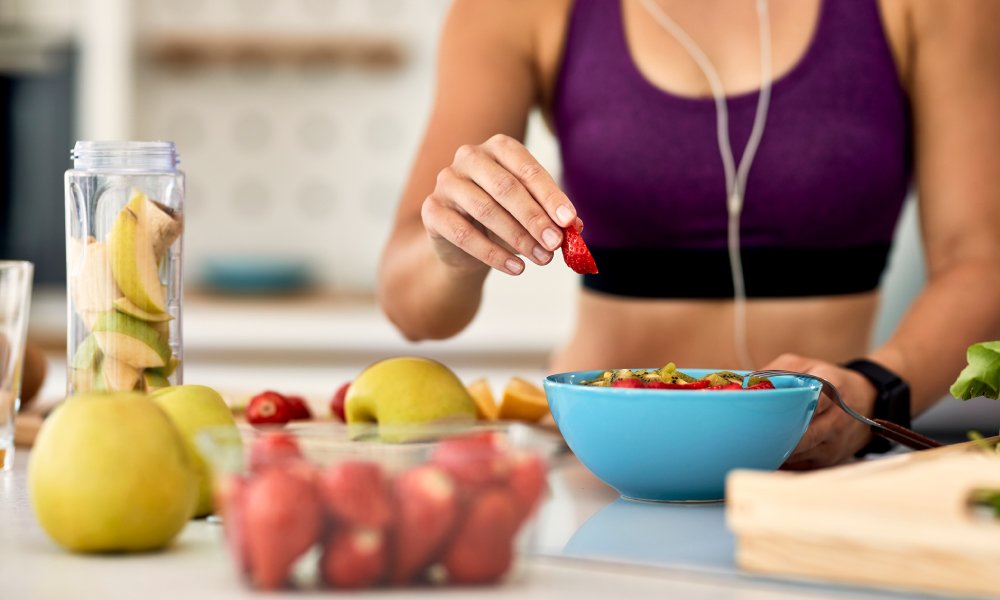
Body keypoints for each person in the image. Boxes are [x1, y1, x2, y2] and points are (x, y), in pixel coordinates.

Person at [377, 0, 1000, 468]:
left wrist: (875, 387)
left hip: (816, 468)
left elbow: (981, 259)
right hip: (600, 468)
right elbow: (411, 306)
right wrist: (451, 251)